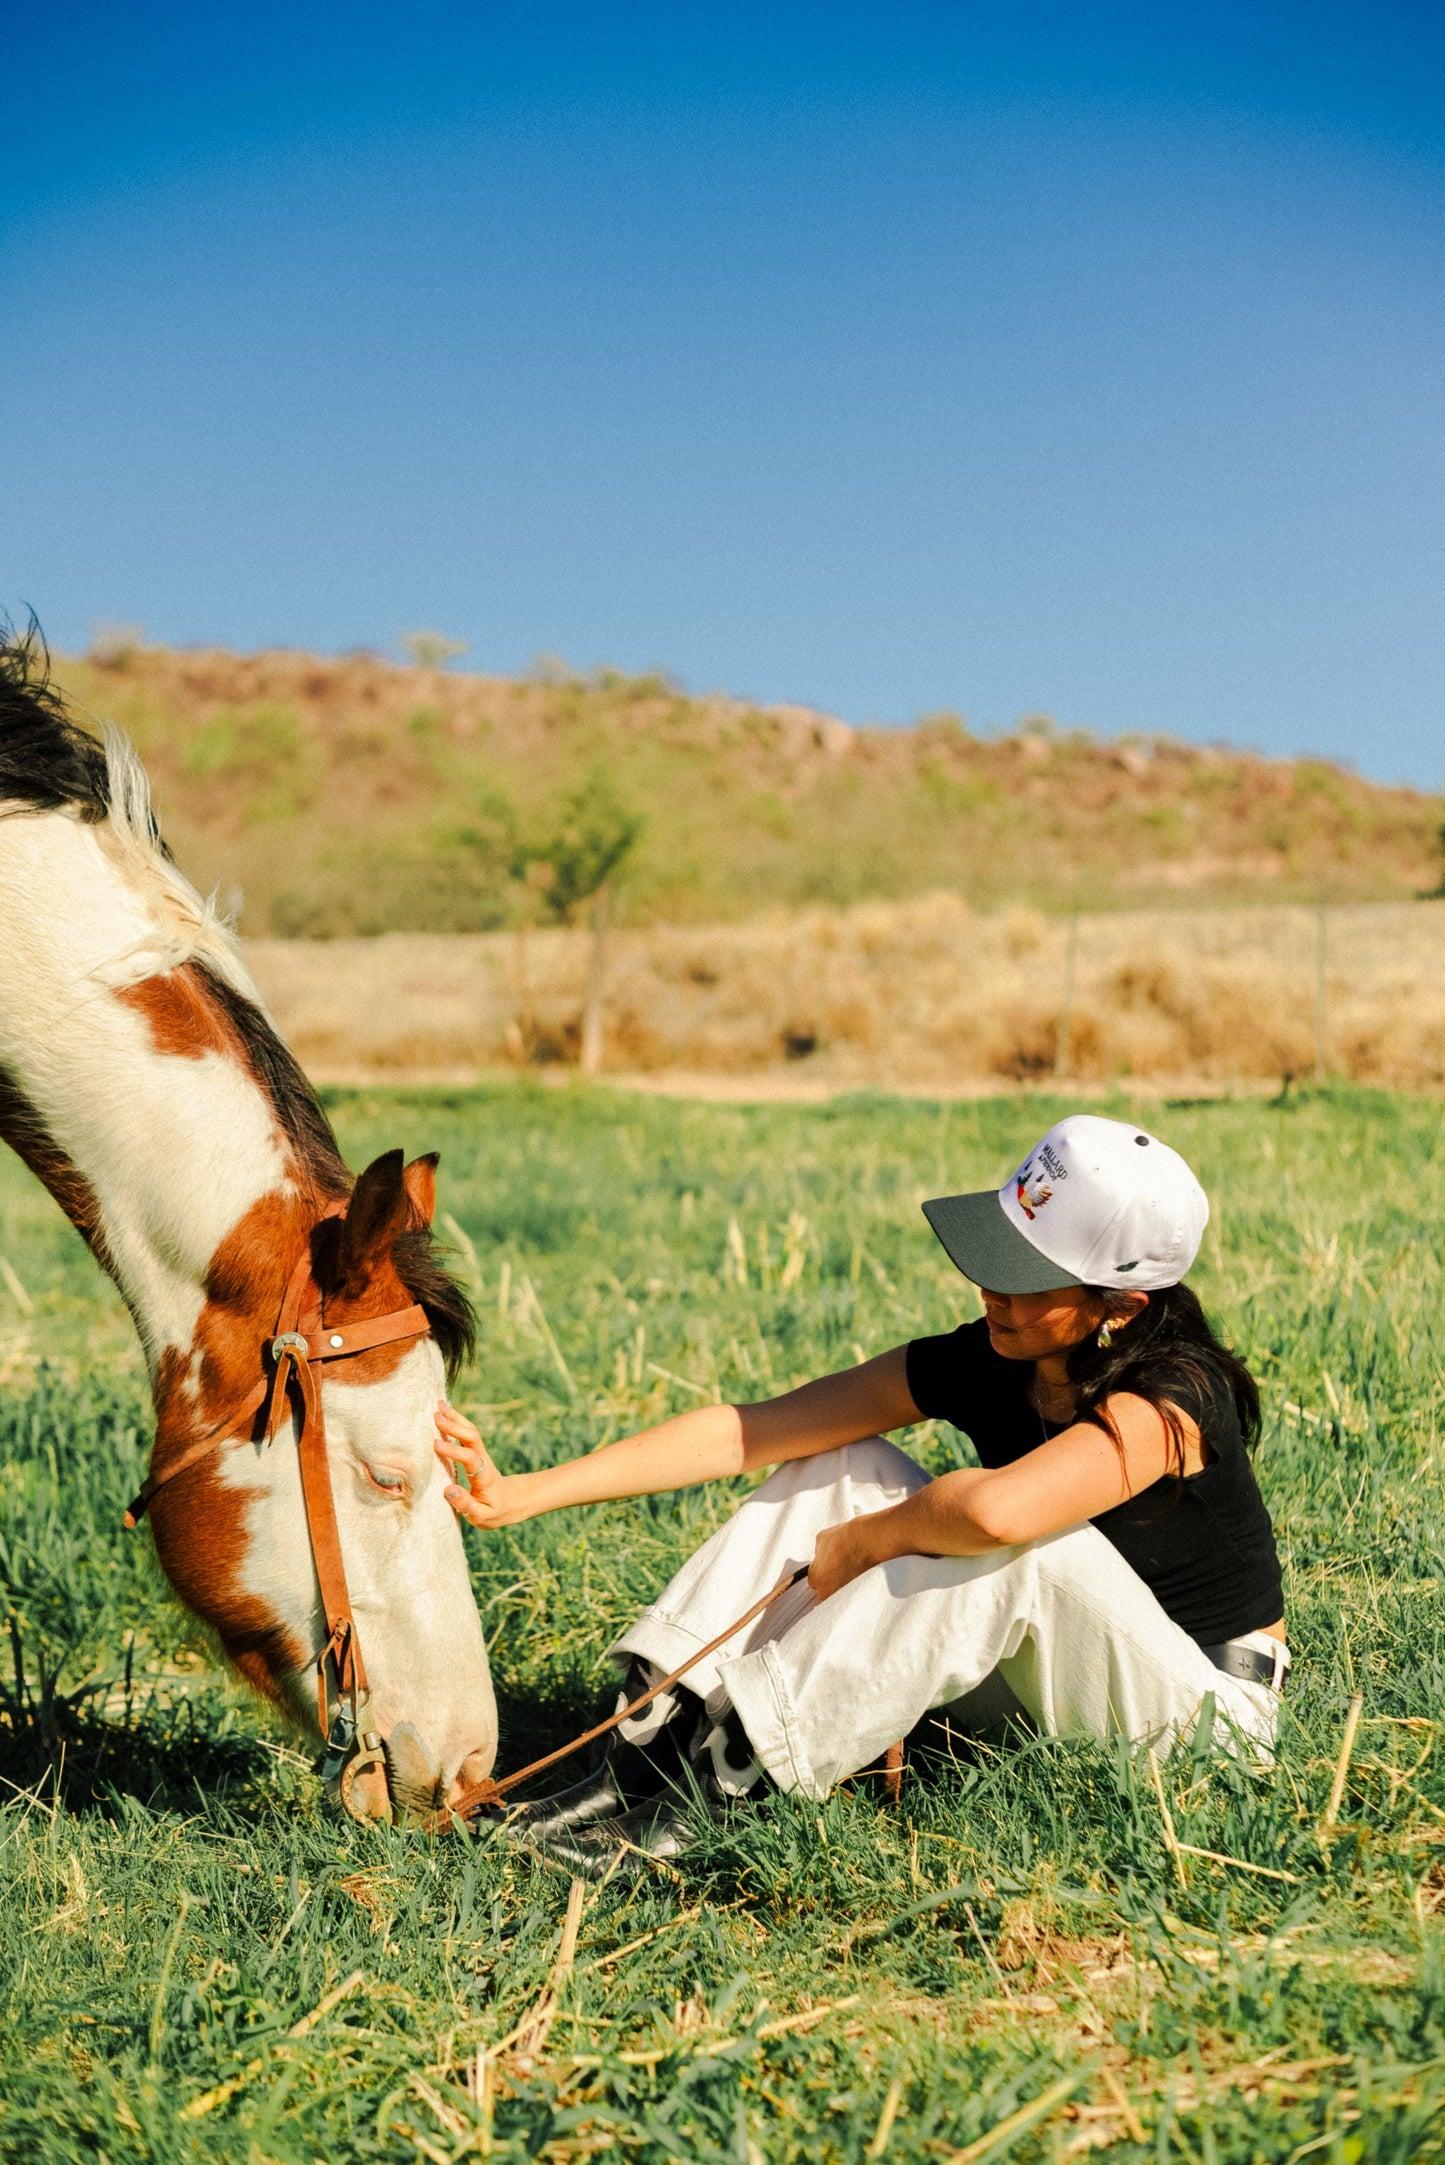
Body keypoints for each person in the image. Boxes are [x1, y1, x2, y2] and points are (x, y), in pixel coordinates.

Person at [436, 1114, 1287, 1877]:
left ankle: (723, 1789)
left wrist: (865, 1541)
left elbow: (998, 1514)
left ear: (1121, 1305)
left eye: (1025, 1276)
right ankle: (639, 1757)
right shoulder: (1000, 1354)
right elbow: (757, 1429)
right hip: (1042, 1688)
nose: (989, 1287)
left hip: (1197, 1724)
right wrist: (525, 1493)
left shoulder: (1177, 1398)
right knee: (838, 1459)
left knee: (1020, 1540)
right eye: (995, 1253)